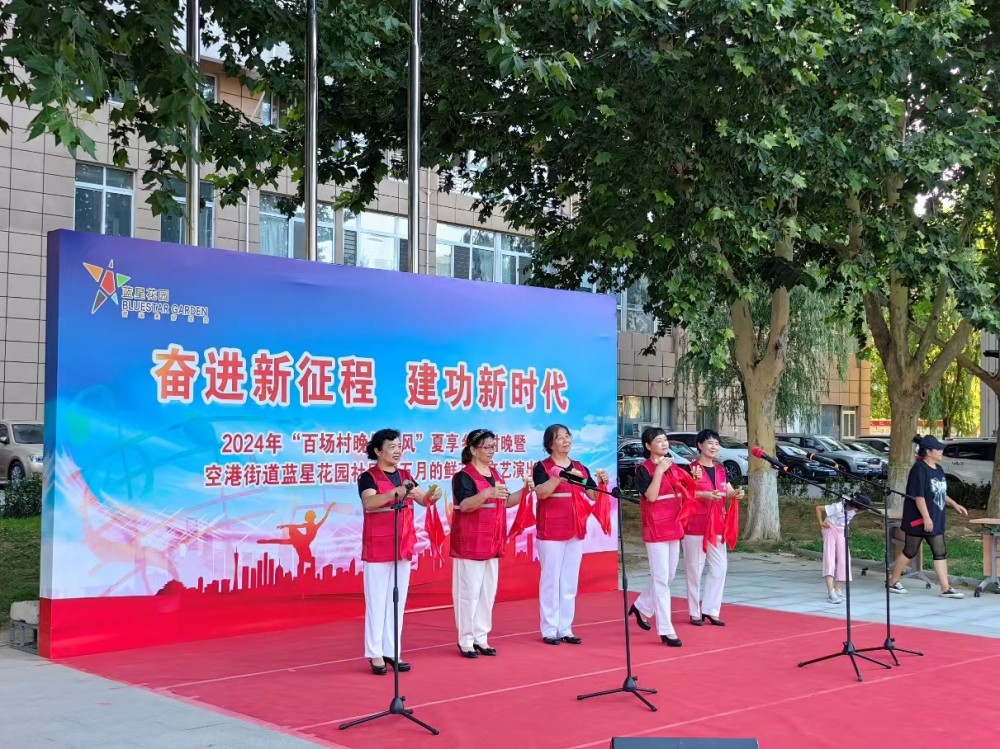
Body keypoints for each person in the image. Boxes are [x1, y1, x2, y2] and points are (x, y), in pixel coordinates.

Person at [358, 428, 441, 675]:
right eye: (392, 447)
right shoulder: (368, 477)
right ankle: (375, 653)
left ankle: (392, 650)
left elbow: (423, 499)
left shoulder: (405, 475)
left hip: (402, 546)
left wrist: (432, 496)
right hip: (378, 546)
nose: (397, 451)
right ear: (378, 451)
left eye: (399, 446)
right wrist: (395, 493)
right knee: (377, 601)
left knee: (397, 601)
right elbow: (369, 503)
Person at [451, 428, 532, 658]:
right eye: (486, 447)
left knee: (487, 593)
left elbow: (506, 501)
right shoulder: (464, 476)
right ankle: (466, 639)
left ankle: (481, 637)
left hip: (492, 541)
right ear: (473, 449)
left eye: (493, 447)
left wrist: (525, 491)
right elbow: (464, 505)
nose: (490, 451)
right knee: (468, 593)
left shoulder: (495, 474)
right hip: (470, 542)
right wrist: (486, 493)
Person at [531, 424, 610, 645]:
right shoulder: (542, 467)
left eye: (568, 436)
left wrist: (602, 482)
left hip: (575, 529)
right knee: (550, 580)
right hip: (551, 530)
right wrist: (560, 477)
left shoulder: (580, 468)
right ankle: (549, 629)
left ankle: (565, 627)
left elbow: (592, 495)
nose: (566, 440)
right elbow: (542, 493)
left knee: (569, 581)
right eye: (560, 437)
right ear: (550, 444)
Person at [628, 427, 698, 647]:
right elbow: (650, 496)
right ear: (648, 446)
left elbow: (686, 489)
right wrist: (658, 471)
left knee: (668, 577)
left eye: (665, 440)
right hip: (656, 527)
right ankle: (666, 630)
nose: (664, 443)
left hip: (674, 525)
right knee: (660, 578)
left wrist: (692, 478)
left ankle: (641, 606)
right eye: (658, 440)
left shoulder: (674, 466)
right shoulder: (643, 469)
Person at [888, 434, 969, 598]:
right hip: (918, 519)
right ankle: (893, 581)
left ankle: (945, 588)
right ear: (928, 451)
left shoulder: (938, 469)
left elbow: (940, 493)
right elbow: (919, 496)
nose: (941, 452)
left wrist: (955, 504)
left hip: (935, 517)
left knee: (940, 551)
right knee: (910, 551)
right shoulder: (919, 469)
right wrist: (926, 517)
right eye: (938, 449)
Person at [683, 429, 744, 626]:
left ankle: (711, 609)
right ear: (700, 445)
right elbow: (684, 494)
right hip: (695, 525)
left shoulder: (720, 469)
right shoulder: (690, 469)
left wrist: (736, 494)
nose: (714, 447)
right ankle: (694, 612)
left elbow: (727, 491)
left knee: (720, 568)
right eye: (709, 443)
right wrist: (704, 495)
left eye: (716, 444)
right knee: (694, 570)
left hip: (717, 524)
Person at [816, 495, 872, 603]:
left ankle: (837, 589)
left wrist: (867, 507)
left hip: (842, 531)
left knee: (844, 559)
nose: (860, 511)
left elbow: (863, 509)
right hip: (830, 528)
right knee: (830, 558)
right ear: (856, 506)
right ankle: (831, 592)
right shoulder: (838, 507)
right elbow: (818, 508)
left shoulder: (856, 510)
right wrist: (821, 523)